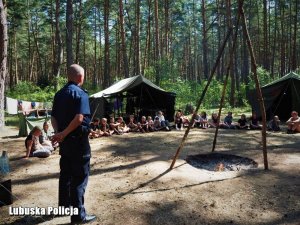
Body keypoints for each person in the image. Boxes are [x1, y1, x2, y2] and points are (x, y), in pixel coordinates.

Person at [51, 64, 96, 224]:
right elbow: (79, 118)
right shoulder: (81, 93)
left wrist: (58, 133)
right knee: (79, 178)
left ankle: (63, 207)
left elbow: (53, 117)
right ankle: (78, 217)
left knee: (65, 175)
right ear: (80, 77)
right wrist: (62, 134)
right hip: (78, 143)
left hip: (65, 143)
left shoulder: (59, 94)